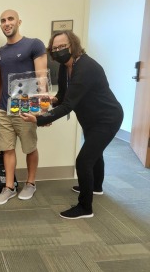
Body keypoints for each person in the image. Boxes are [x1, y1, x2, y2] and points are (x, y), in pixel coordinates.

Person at [21, 30, 123, 219]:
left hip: (107, 118)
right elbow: (62, 97)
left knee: (84, 160)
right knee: (94, 153)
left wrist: (40, 119)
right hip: (90, 119)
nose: (59, 50)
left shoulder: (86, 67)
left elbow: (68, 105)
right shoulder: (64, 66)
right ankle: (96, 186)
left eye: (63, 46)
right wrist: (44, 102)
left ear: (73, 45)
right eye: (55, 48)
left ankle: (85, 208)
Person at [0, 9, 47, 205]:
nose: (6, 23)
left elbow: (41, 76)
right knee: (7, 149)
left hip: (26, 107)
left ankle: (30, 183)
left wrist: (43, 110)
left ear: (19, 22)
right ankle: (9, 187)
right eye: (3, 20)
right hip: (4, 108)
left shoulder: (34, 44)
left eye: (10, 19)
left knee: (29, 147)